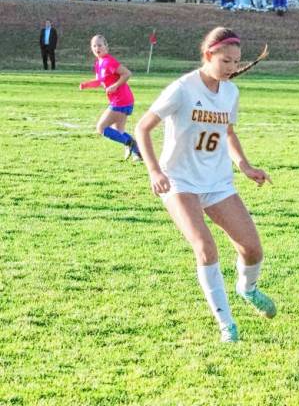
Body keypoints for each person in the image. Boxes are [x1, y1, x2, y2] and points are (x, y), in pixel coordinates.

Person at [134, 27, 276, 343]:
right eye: (226, 61)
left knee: (252, 249)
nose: (233, 68)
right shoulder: (182, 89)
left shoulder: (230, 92)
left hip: (217, 182)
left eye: (237, 62)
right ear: (207, 54)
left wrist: (245, 166)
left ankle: (247, 289)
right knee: (205, 247)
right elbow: (142, 128)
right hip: (179, 181)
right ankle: (227, 325)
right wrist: (154, 171)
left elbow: (227, 133)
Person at [79, 35, 142, 161]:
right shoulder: (99, 64)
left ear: (106, 47)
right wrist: (86, 85)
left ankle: (130, 143)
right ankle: (138, 153)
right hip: (120, 100)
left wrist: (115, 85)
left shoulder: (109, 61)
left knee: (101, 128)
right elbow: (99, 81)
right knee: (118, 132)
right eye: (94, 46)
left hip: (121, 100)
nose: (97, 48)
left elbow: (127, 73)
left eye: (100, 45)